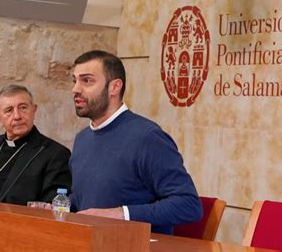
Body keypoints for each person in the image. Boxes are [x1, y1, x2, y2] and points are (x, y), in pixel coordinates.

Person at [70, 50, 202, 234]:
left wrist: (121, 213)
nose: (76, 89)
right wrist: (58, 208)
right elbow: (86, 203)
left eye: (87, 80)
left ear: (114, 87)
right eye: (74, 80)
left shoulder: (148, 137)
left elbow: (188, 205)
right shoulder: (82, 139)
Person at [0, 84, 71, 205]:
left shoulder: (54, 154)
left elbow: (50, 205)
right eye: (9, 110)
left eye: (23, 108)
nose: (17, 116)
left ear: (34, 110)